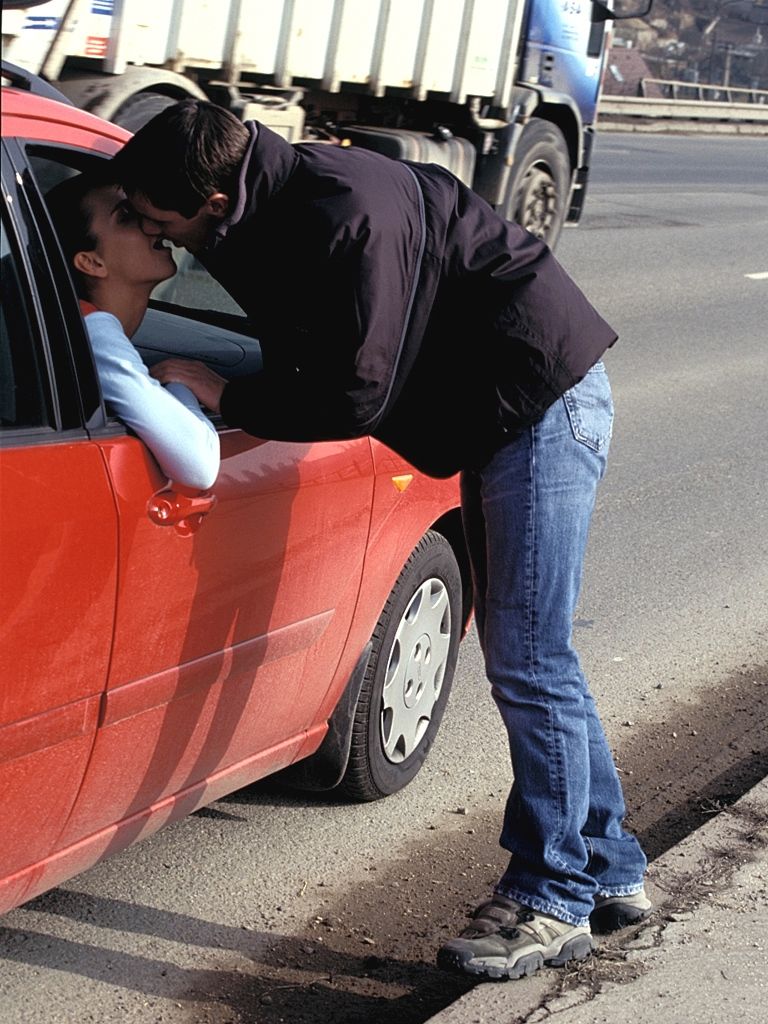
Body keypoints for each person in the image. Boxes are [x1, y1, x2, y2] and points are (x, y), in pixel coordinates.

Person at [111, 99, 651, 981]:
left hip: (540, 409)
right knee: (536, 654)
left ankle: (550, 896)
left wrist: (226, 394)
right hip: (503, 410)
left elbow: (355, 391)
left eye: (157, 217)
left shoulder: (346, 211)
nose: (152, 233)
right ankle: (612, 866)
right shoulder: (278, 204)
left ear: (212, 198)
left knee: (527, 658)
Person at [45, 170, 219, 491]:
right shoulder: (93, 331)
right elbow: (199, 464)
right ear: (92, 262)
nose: (152, 225)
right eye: (127, 217)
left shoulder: (70, 324)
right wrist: (181, 388)